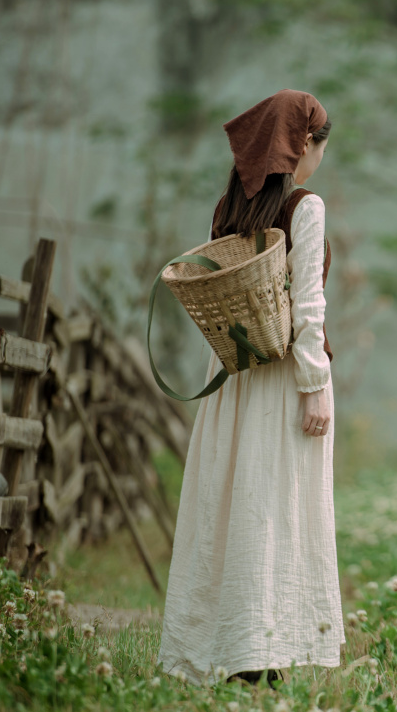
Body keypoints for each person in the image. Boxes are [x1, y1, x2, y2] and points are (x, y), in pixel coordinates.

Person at [157, 89, 343, 685]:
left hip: (234, 374)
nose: (318, 158)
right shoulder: (305, 209)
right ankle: (263, 648)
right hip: (283, 376)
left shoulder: (227, 207)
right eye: (317, 145)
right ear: (300, 145)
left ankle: (237, 649)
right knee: (278, 508)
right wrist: (314, 383)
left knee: (236, 505)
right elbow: (308, 304)